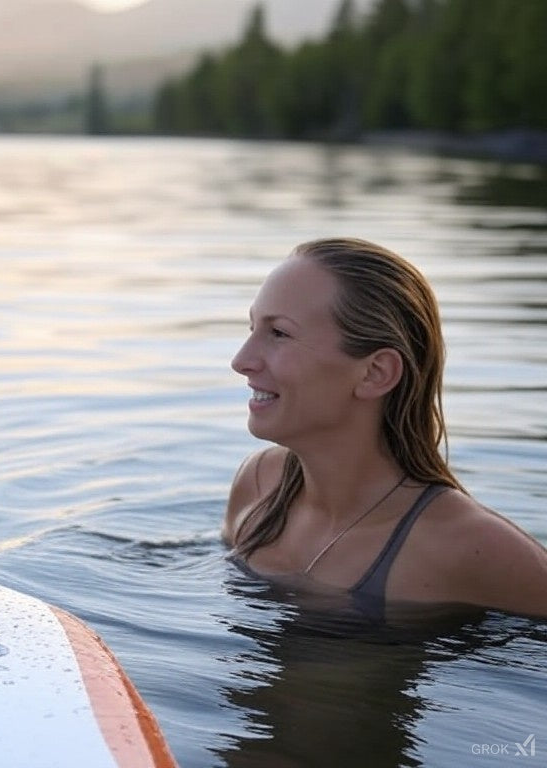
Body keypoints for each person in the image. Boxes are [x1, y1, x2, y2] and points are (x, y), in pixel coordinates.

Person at [222, 237, 547, 621]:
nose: (241, 361)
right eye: (253, 328)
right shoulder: (258, 485)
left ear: (376, 373)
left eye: (279, 333)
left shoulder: (469, 547)